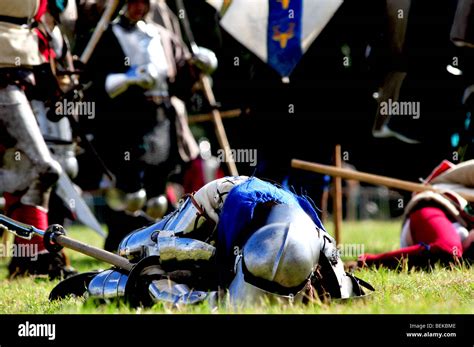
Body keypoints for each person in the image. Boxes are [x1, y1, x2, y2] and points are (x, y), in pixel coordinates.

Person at [51, 176, 373, 307]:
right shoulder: (223, 200)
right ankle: (102, 284)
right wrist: (168, 273)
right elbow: (170, 246)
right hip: (218, 205)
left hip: (245, 239)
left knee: (190, 290)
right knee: (134, 251)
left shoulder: (315, 241)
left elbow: (345, 290)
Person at [87, 0, 215, 251]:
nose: (138, 7)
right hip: (125, 119)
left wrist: (197, 66)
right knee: (128, 189)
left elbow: (178, 82)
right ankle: (120, 241)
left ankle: (154, 241)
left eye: (143, 2)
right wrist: (129, 78)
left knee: (158, 190)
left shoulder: (162, 35)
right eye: (133, 2)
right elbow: (95, 78)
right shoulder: (107, 34)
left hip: (160, 118)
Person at [0, 0, 73, 278]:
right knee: (46, 168)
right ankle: (34, 255)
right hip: (5, 83)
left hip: (17, 78)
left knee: (26, 171)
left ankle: (29, 258)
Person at [359, 160, 474, 268]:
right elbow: (461, 172)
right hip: (435, 206)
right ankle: (366, 262)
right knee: (448, 249)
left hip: (460, 231)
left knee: (452, 254)